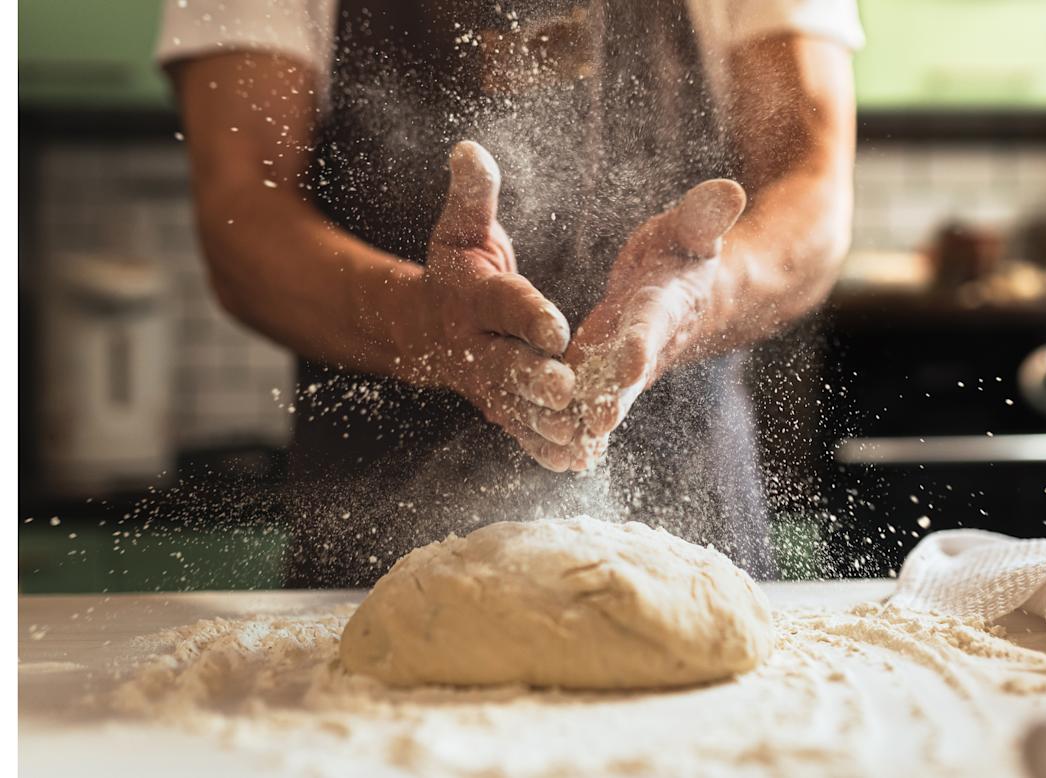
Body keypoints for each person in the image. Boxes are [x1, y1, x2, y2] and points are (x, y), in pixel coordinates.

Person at [157, 0, 862, 585]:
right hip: (374, 530)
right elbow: (242, 217)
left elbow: (813, 191)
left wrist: (696, 296)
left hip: (691, 510)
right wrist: (422, 323)